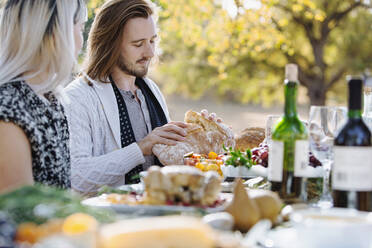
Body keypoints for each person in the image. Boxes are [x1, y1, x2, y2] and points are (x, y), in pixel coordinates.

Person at [63, 0, 221, 194]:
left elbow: (166, 162)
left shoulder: (150, 90)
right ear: (109, 45)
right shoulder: (77, 98)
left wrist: (202, 140)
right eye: (138, 44)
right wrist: (141, 148)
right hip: (109, 219)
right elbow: (76, 178)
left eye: (152, 41)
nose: (150, 53)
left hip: (158, 212)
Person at [0, 0, 87, 193]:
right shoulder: (8, 107)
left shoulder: (51, 98)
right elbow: (19, 211)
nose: (82, 42)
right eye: (80, 28)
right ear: (55, 32)